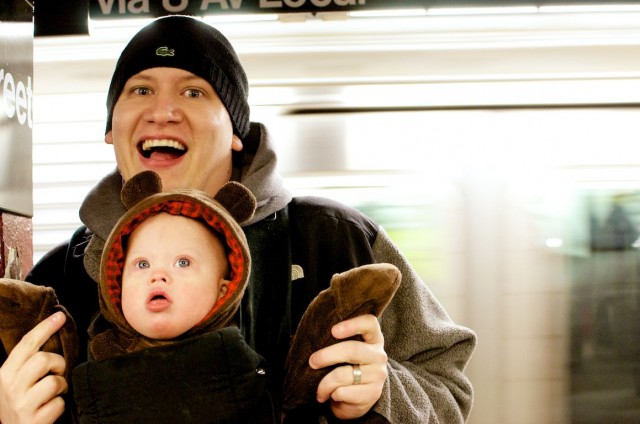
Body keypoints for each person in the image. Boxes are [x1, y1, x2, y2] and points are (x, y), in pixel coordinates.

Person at [0, 14, 477, 424]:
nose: (162, 110)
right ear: (111, 130)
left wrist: (385, 391)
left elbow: (449, 395)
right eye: (140, 89)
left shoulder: (337, 240)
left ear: (235, 132)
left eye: (193, 91)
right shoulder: (60, 279)